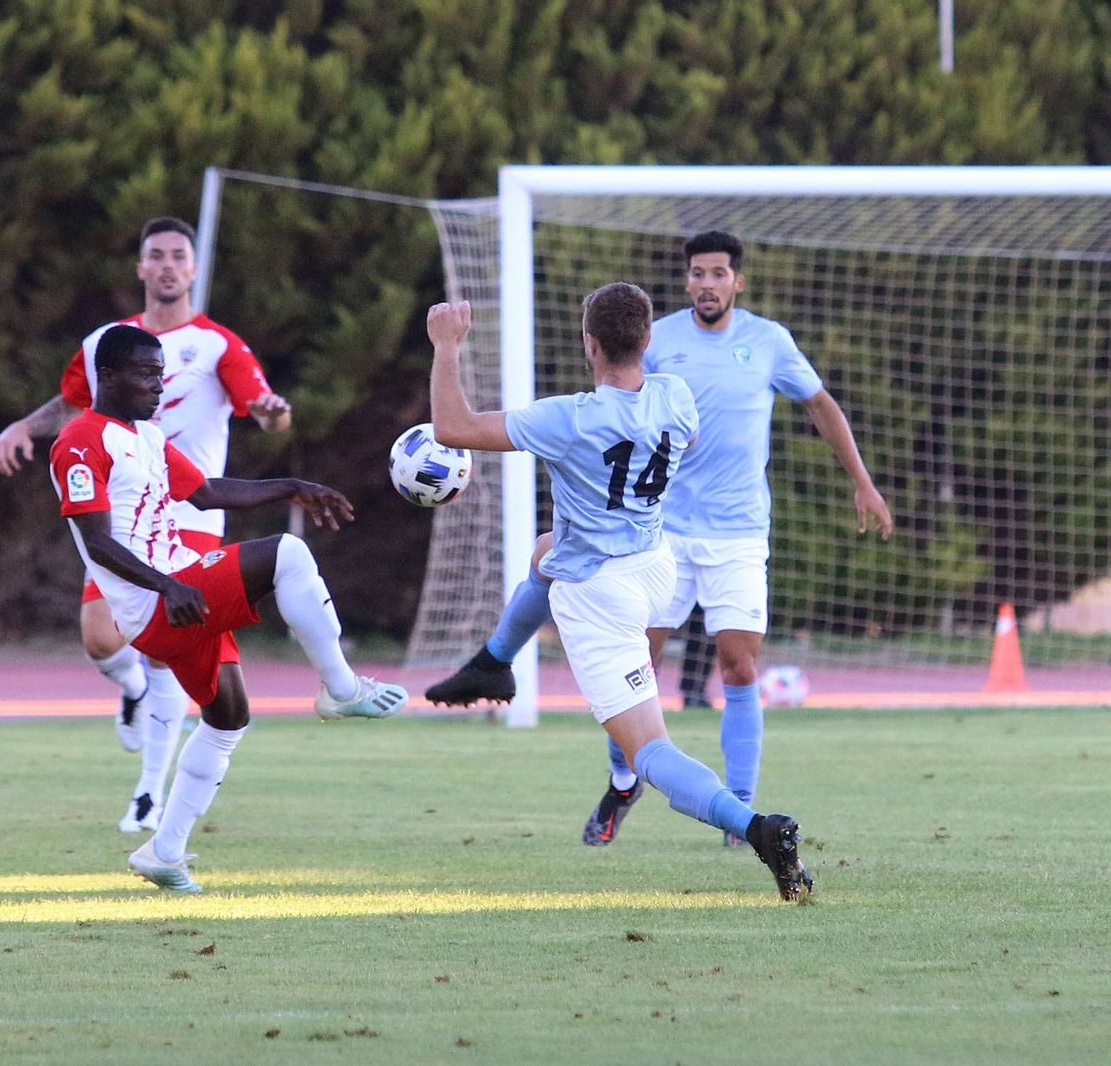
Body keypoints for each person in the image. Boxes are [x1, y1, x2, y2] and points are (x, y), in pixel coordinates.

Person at [425, 231, 892, 850]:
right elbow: (685, 442)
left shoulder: (566, 418)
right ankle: (494, 664)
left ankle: (750, 824)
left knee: (652, 744)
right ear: (650, 342)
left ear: (590, 344)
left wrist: (446, 347)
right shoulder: (674, 396)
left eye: (719, 273)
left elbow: (453, 428)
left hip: (609, 584)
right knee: (547, 550)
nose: (708, 283)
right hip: (655, 558)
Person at [51, 324, 406, 893]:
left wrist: (291, 485)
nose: (157, 386)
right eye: (145, 374)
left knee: (228, 718)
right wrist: (167, 587)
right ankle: (341, 689)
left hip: (175, 599)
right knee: (287, 554)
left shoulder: (145, 436)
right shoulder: (78, 441)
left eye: (161, 374)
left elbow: (207, 493)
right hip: (155, 604)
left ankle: (163, 852)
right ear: (109, 375)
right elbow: (96, 544)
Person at [0, 217, 293, 835]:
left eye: (180, 255)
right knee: (101, 639)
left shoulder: (219, 345)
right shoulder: (109, 340)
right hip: (125, 511)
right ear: (141, 269)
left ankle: (148, 793)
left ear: (194, 268)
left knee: (168, 648)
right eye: (157, 256)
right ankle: (128, 691)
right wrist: (23, 426)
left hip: (193, 514)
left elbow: (266, 410)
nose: (169, 266)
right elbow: (73, 404)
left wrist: (271, 414)